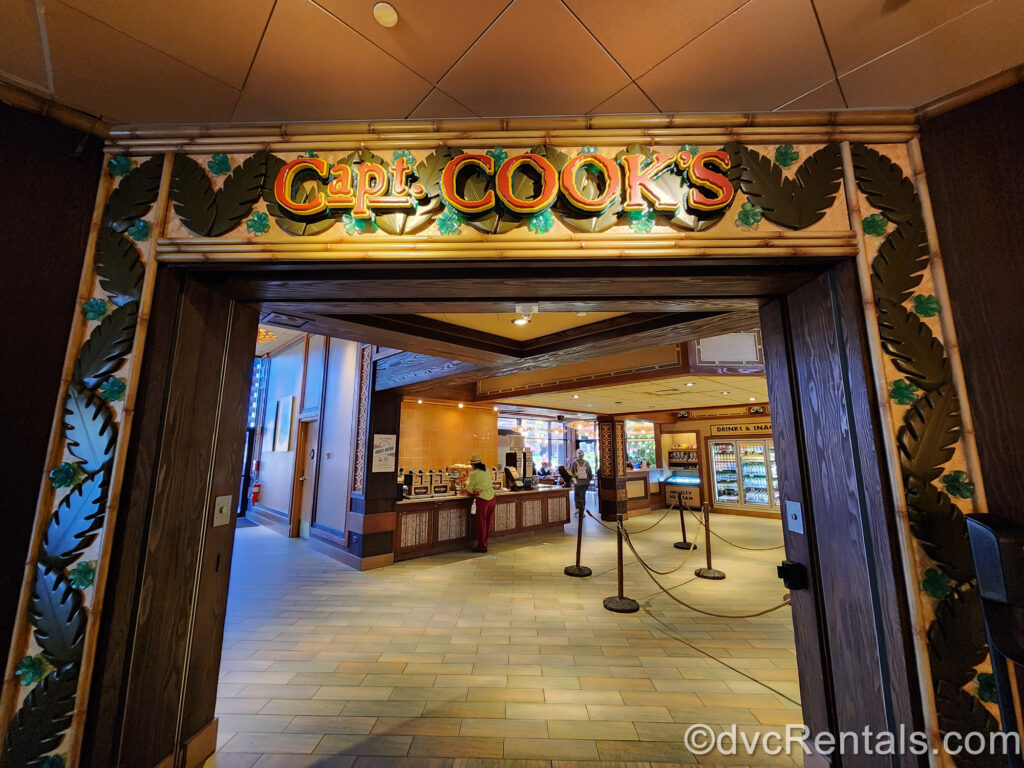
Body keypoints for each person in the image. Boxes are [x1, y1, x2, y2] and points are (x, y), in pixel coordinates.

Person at [465, 452, 496, 553]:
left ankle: (482, 547)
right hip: (492, 497)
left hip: (482, 499)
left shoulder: (474, 473)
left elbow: (468, 488)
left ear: (473, 464)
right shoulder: (487, 469)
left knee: (481, 523)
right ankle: (485, 543)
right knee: (488, 523)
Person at [569, 449, 593, 517]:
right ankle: (582, 510)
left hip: (577, 482)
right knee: (583, 496)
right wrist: (588, 480)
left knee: (577, 495)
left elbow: (571, 473)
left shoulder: (574, 463)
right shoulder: (587, 462)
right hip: (585, 482)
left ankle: (578, 508)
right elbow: (590, 473)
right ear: (583, 455)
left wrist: (573, 478)